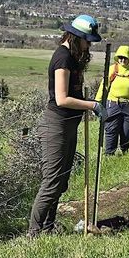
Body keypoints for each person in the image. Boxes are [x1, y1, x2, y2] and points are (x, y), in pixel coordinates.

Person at [27, 14, 104, 237]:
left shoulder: (71, 56)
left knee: (61, 181)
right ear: (76, 36)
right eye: (87, 40)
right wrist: (92, 105)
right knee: (51, 182)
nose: (89, 45)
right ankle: (33, 233)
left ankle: (49, 227)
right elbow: (61, 98)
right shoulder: (62, 58)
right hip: (56, 125)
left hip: (69, 125)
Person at [94, 45, 129, 155]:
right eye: (120, 57)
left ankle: (124, 152)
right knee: (111, 129)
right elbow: (104, 85)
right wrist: (97, 101)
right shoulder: (112, 69)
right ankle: (109, 154)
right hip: (113, 104)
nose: (122, 60)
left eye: (125, 58)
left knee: (127, 131)